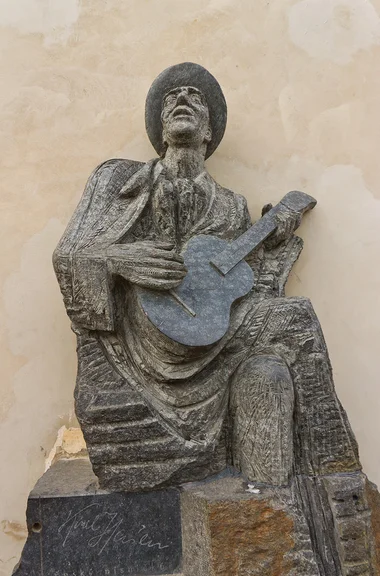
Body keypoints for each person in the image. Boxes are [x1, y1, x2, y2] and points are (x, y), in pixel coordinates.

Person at [53, 63, 360, 493]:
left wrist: (273, 245)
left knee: (281, 342)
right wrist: (118, 259)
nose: (181, 99)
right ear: (160, 131)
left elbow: (242, 292)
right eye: (171, 98)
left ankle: (298, 493)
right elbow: (69, 255)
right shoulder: (118, 181)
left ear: (209, 132)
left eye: (194, 97)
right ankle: (337, 475)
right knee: (297, 319)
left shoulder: (233, 208)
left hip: (213, 345)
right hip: (141, 345)